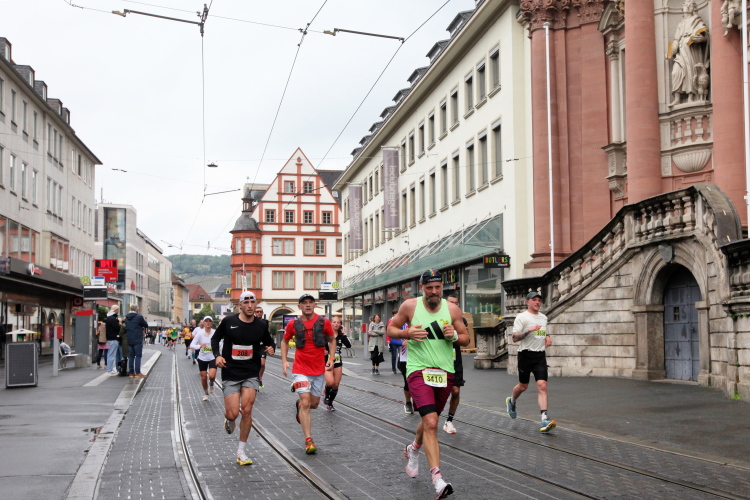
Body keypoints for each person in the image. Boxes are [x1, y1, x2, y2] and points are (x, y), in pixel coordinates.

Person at [388, 268, 469, 500]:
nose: (434, 291)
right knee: (432, 422)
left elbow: (466, 338)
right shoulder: (410, 306)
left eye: (437, 287)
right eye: (429, 287)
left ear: (442, 288)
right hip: (418, 370)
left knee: (429, 419)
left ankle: (413, 449)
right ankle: (438, 480)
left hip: (444, 372)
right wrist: (407, 334)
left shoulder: (452, 309)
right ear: (422, 288)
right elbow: (391, 329)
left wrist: (455, 336)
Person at [212, 291, 275, 466]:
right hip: (231, 371)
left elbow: (269, 342)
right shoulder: (229, 322)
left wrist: (271, 348)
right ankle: (229, 418)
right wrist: (217, 356)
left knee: (247, 411)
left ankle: (241, 451)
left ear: (256, 304)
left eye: (252, 302)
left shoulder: (261, 325)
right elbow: (215, 339)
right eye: (246, 302)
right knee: (233, 413)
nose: (249, 305)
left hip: (251, 372)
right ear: (240, 305)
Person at [282, 294, 336, 455]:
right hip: (300, 369)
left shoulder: (324, 322)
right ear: (299, 306)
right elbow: (284, 341)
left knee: (313, 404)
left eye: (310, 302)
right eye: (304, 303)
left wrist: (331, 358)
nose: (307, 305)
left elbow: (332, 339)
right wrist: (284, 361)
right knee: (306, 402)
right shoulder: (293, 324)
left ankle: (300, 406)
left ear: (315, 305)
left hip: (318, 370)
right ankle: (308, 440)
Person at [505, 291, 556, 433]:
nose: (537, 302)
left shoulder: (543, 318)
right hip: (525, 355)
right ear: (527, 302)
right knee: (523, 386)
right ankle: (511, 401)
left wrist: (547, 337)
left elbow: (541, 332)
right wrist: (529, 330)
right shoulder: (521, 317)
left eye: (539, 300)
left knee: (542, 385)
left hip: (540, 356)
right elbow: (515, 338)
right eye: (534, 300)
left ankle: (544, 418)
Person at [667, 0, 709, 107]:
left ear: (693, 8)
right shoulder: (681, 24)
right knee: (675, 72)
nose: (686, 6)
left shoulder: (697, 20)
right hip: (681, 51)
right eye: (685, 4)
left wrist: (702, 38)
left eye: (688, 5)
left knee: (691, 71)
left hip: (692, 50)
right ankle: (677, 98)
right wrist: (671, 51)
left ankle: (691, 96)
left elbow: (705, 35)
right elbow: (675, 39)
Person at [443, 294, 468, 434]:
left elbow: (467, 340)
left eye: (456, 303)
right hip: (438, 358)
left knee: (456, 391)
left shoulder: (461, 320)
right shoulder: (438, 317)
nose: (454, 305)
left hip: (454, 358)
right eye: (451, 302)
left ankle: (449, 420)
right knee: (439, 392)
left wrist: (456, 335)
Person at [323, 316, 352, 411]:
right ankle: (326, 394)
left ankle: (330, 403)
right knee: (330, 382)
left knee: (336, 384)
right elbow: (318, 345)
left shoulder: (341, 336)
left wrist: (344, 334)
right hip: (327, 361)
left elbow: (349, 345)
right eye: (334, 322)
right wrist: (323, 351)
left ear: (340, 325)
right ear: (331, 323)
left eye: (338, 322)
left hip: (338, 361)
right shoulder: (325, 335)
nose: (336, 324)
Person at [190, 316, 217, 401]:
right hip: (202, 357)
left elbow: (220, 342)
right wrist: (199, 346)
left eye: (209, 321)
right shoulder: (199, 333)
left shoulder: (215, 332)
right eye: (206, 321)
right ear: (204, 322)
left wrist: (215, 347)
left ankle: (211, 383)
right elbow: (192, 345)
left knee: (212, 375)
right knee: (204, 377)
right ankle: (206, 393)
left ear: (211, 323)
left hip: (212, 356)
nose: (208, 322)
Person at [395, 320, 414, 414]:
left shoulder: (419, 323)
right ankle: (408, 402)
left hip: (418, 358)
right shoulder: (401, 325)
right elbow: (392, 340)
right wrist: (401, 343)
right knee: (408, 382)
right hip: (404, 358)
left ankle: (418, 400)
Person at [124, 305, 148, 377]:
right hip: (137, 339)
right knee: (138, 356)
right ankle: (138, 372)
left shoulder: (126, 317)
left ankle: (131, 372)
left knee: (131, 356)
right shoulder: (139, 317)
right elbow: (145, 325)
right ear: (137, 310)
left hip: (129, 339)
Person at [105, 305, 121, 376]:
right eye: (118, 309)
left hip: (110, 338)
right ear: (115, 310)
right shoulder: (112, 318)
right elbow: (117, 328)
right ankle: (110, 370)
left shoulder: (109, 318)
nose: (118, 311)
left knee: (110, 354)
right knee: (111, 354)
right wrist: (120, 325)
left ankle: (110, 369)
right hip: (113, 338)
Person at [254, 306, 268, 389]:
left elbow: (267, 334)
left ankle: (259, 378)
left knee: (262, 364)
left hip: (262, 345)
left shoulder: (265, 322)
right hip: (254, 345)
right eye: (257, 312)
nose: (259, 313)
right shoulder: (251, 321)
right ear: (254, 313)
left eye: (260, 312)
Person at [387, 310, 401, 374]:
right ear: (393, 315)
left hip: (400, 340)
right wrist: (388, 339)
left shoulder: (401, 320)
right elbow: (388, 331)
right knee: (394, 355)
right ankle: (393, 368)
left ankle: (399, 366)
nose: (396, 316)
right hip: (393, 340)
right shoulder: (390, 321)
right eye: (395, 315)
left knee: (401, 355)